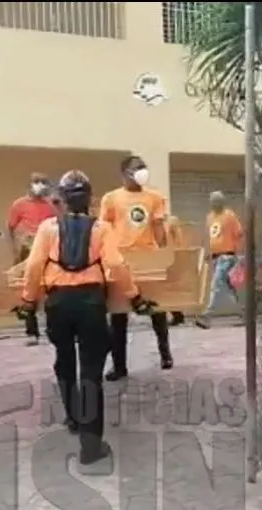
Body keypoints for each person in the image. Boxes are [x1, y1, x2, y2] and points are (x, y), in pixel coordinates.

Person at [16, 170, 156, 464]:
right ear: (90, 198)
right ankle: (90, 447)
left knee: (64, 361)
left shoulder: (47, 228)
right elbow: (116, 267)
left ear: (62, 200)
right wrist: (135, 297)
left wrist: (28, 301)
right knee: (91, 372)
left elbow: (33, 267)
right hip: (91, 303)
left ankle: (73, 418)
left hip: (58, 304)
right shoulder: (101, 229)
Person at [98, 154, 172, 380]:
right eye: (137, 168)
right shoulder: (111, 198)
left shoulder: (155, 197)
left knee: (157, 310)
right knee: (119, 316)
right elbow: (103, 229)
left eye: (144, 167)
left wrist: (165, 254)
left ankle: (165, 353)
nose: (142, 171)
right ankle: (119, 366)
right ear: (124, 173)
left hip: (148, 257)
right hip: (122, 262)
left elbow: (159, 227)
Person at [7, 173, 59, 345]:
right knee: (28, 291)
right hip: (26, 253)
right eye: (37, 182)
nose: (40, 186)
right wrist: (17, 251)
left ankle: (53, 330)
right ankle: (32, 332)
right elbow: (12, 229)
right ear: (30, 185)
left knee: (52, 290)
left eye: (44, 183)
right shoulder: (19, 205)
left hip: (47, 253)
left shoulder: (50, 207)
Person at [196, 191, 244, 329]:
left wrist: (236, 252)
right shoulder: (210, 217)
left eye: (217, 201)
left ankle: (207, 316)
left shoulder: (229, 216)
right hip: (217, 257)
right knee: (229, 288)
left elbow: (239, 233)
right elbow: (212, 237)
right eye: (213, 201)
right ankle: (243, 313)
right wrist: (209, 252)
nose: (215, 203)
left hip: (227, 257)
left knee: (216, 285)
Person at [164, 214, 186, 326]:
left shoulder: (171, 222)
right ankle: (177, 314)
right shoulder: (165, 223)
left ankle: (177, 315)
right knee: (167, 289)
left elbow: (178, 241)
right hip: (167, 259)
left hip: (171, 260)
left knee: (168, 289)